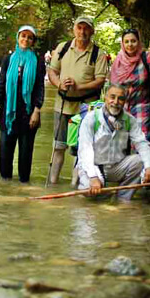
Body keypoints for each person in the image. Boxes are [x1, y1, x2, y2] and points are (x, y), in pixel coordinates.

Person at [46, 16, 109, 184]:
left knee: (82, 149)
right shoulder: (63, 47)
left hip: (86, 109)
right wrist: (59, 84)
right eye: (79, 28)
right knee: (58, 147)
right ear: (74, 29)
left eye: (86, 28)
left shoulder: (99, 53)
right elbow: (52, 71)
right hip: (62, 105)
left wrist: (79, 87)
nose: (82, 31)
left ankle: (75, 186)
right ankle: (53, 184)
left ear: (92, 31)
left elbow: (101, 80)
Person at [76, 84, 150, 200]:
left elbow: (142, 144)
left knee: (140, 161)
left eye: (121, 99)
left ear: (125, 101)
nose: (116, 102)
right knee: (88, 192)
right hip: (93, 165)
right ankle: (103, 193)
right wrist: (93, 177)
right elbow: (85, 150)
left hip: (116, 166)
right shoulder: (91, 118)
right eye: (112, 97)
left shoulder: (130, 120)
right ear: (105, 97)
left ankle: (123, 199)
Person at [0, 25, 46, 183]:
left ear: (33, 41)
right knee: (5, 152)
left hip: (29, 113)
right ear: (18, 37)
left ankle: (23, 185)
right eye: (23, 36)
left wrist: (37, 110)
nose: (25, 40)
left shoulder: (38, 61)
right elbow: (1, 83)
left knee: (26, 153)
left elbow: (40, 87)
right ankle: (5, 186)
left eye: (29, 37)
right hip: (8, 110)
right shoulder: (8, 59)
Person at [110, 28, 150, 145]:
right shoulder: (118, 61)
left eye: (133, 41)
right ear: (123, 44)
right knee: (120, 144)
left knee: (142, 141)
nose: (130, 45)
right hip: (121, 106)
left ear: (138, 42)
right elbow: (113, 86)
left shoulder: (146, 57)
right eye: (127, 41)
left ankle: (144, 163)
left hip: (142, 105)